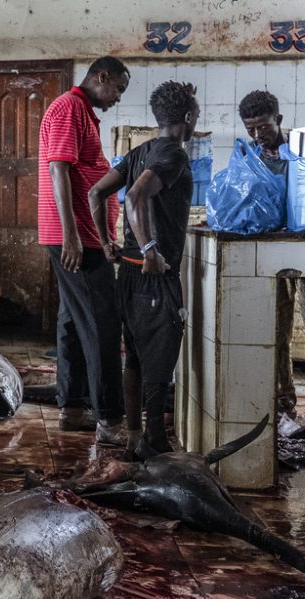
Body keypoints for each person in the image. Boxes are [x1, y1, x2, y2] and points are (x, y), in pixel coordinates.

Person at [88, 81, 200, 460]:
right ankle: (153, 441)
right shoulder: (173, 155)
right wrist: (150, 247)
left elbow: (96, 193)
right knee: (159, 360)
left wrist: (106, 243)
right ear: (188, 117)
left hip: (129, 275)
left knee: (134, 356)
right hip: (154, 275)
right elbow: (135, 196)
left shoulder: (141, 151)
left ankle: (134, 435)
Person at [38, 56, 129, 444]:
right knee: (102, 324)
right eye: (118, 89)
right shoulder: (68, 108)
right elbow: (59, 169)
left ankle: (72, 407)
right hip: (75, 238)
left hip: (79, 235)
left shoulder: (81, 111)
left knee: (74, 322)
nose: (117, 98)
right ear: (101, 77)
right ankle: (109, 419)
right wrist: (74, 236)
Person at [237, 90, 305, 418]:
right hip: (273, 255)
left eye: (262, 128)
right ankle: (284, 404)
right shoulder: (250, 157)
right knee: (276, 334)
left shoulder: (304, 150)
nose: (257, 135)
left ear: (278, 120)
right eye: (250, 129)